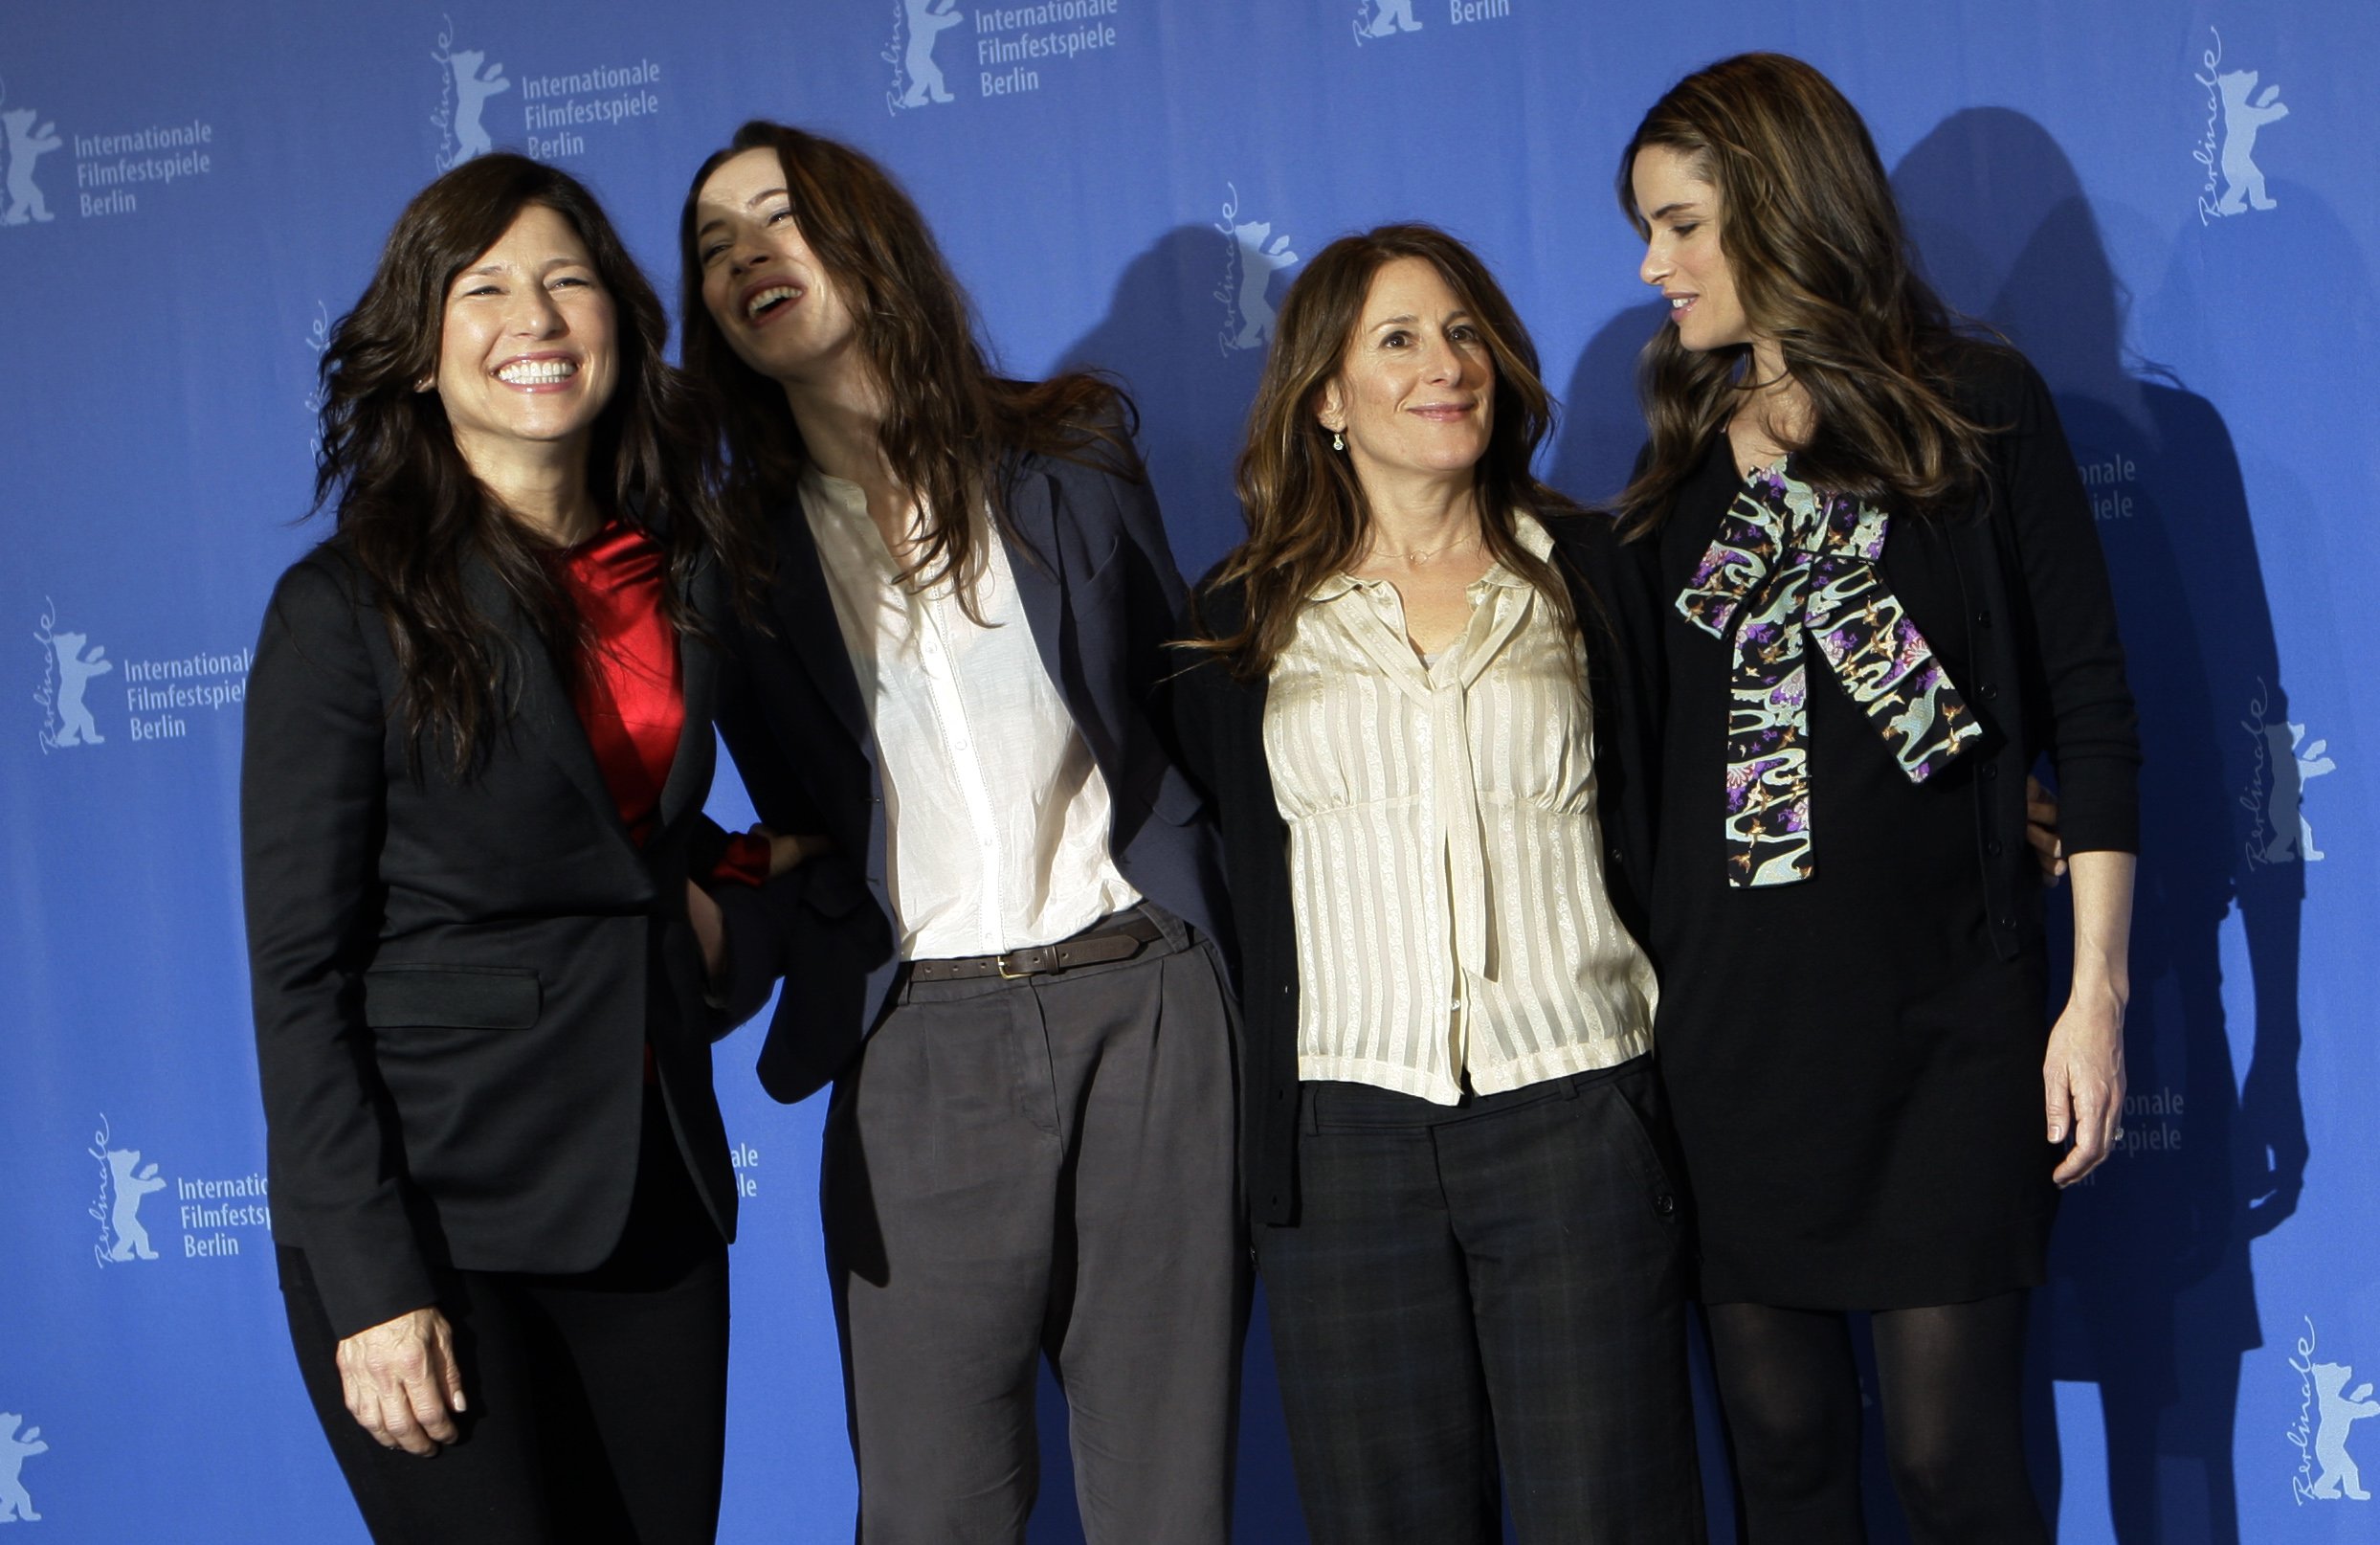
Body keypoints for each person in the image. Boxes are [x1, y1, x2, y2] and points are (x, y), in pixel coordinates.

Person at [678, 123, 1240, 1545]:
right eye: (713, 243)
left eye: (782, 217)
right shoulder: (725, 556)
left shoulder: (1072, 445)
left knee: (1166, 1501)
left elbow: (1170, 714)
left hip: (1146, 1005)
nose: (749, 253)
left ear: (869, 235)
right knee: (932, 1510)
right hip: (913, 1035)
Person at [1611, 53, 2139, 1541]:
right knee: (1779, 1462)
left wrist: (2092, 997)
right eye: (1648, 231)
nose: (1655, 265)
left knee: (1948, 1463)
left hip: (1948, 1036)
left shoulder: (1978, 409)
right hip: (1736, 1042)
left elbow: (2092, 713)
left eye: (1683, 224)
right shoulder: (1671, 483)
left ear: (1782, 203)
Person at [242, 153, 789, 1542]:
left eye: (567, 281)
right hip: (436, 1218)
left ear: (619, 321)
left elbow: (678, 849)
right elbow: (299, 975)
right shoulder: (342, 607)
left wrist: (735, 922)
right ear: (422, 355)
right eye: (484, 289)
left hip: (655, 1194)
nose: (534, 320)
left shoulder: (691, 568)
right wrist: (371, 1282)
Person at [1173, 223, 1703, 1544]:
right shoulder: (1240, 621)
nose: (1445, 363)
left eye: (1465, 331)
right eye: (1398, 339)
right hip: (1343, 1143)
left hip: (1579, 1111)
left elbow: (1707, 793)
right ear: (1325, 399)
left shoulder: (1594, 575)